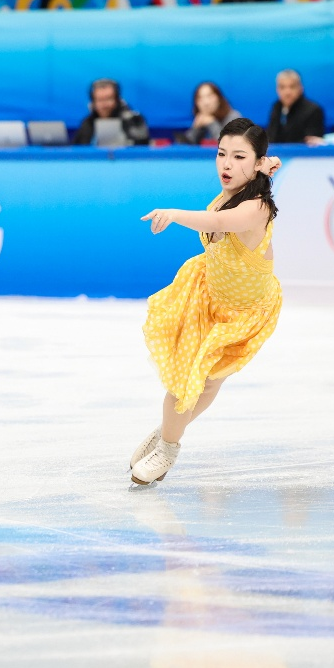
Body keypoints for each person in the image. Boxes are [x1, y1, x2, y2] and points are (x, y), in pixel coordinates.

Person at [131, 119, 283, 484]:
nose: (226, 164)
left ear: (255, 160)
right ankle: (170, 431)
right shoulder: (251, 174)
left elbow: (215, 220)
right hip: (208, 294)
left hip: (245, 312)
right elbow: (270, 160)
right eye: (221, 154)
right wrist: (264, 161)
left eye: (238, 157)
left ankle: (167, 444)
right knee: (185, 383)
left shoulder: (256, 208)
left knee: (206, 382)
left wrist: (173, 214)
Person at [74, 79, 149, 147]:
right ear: (93, 103)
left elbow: (141, 147)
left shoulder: (133, 120)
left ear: (117, 100)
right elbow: (77, 149)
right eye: (100, 100)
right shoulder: (87, 123)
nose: (104, 104)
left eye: (108, 99)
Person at [265, 69, 324, 145]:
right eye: (282, 87)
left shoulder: (313, 110)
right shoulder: (276, 107)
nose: (287, 92)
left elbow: (312, 142)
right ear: (277, 89)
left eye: (292, 87)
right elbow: (271, 137)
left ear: (300, 88)